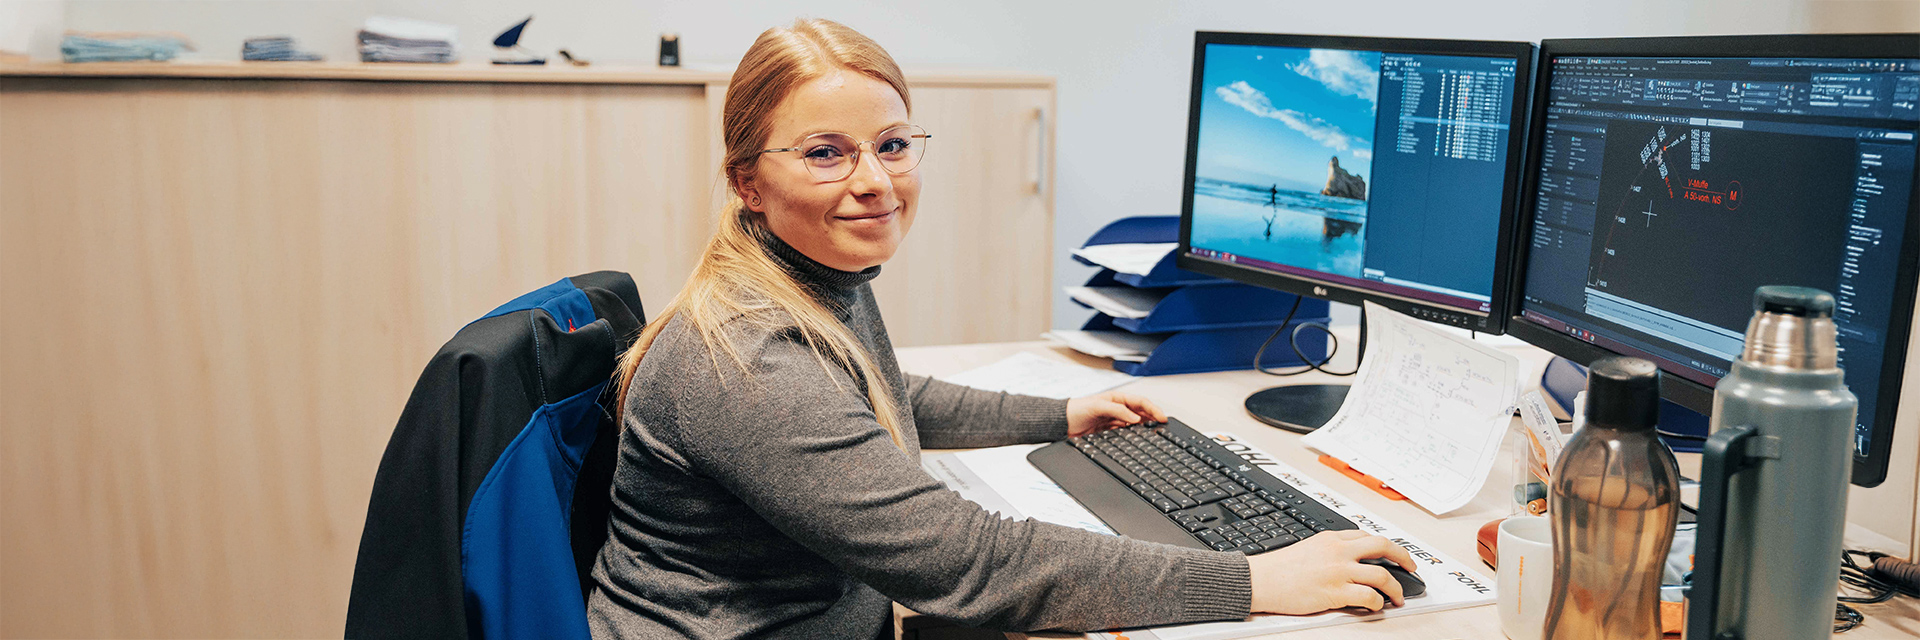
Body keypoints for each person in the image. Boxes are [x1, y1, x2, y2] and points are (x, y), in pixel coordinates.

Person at [588, 19, 1416, 639]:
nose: (874, 181)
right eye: (825, 153)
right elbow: (967, 562)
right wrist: (1253, 580)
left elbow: (878, 392)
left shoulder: (804, 282)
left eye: (892, 144)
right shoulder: (747, 363)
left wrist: (1055, 417)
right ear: (749, 184)